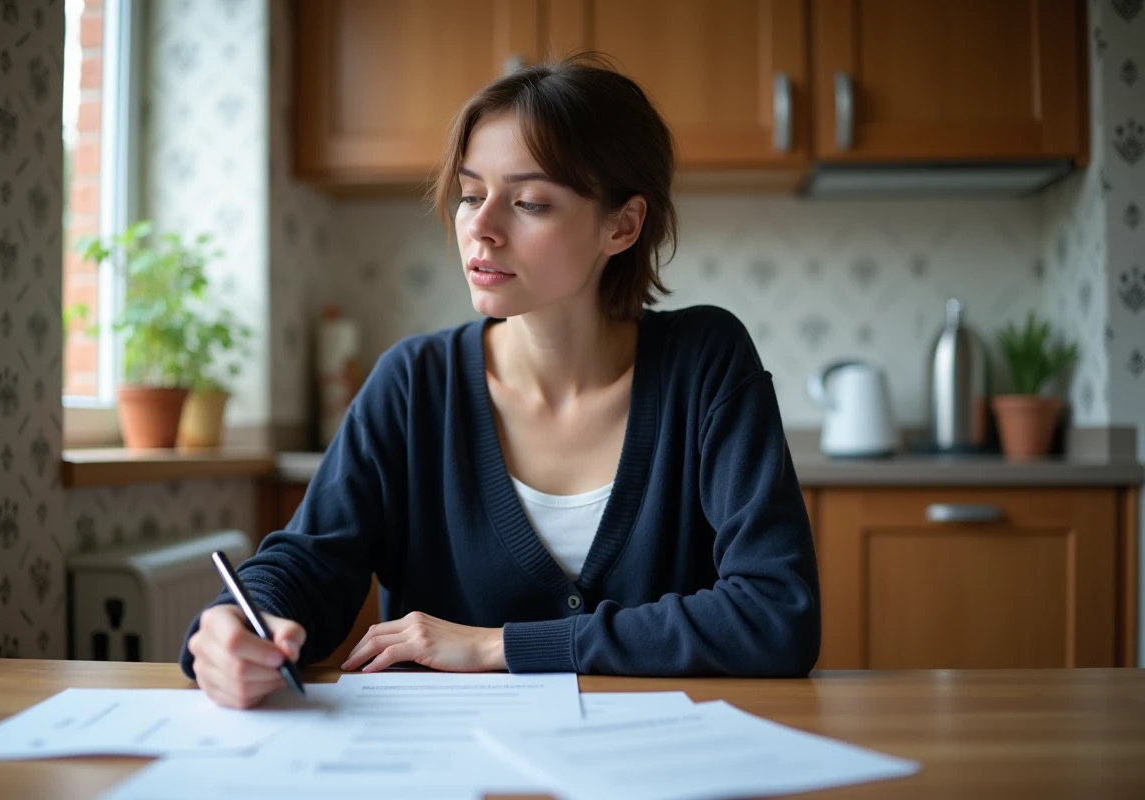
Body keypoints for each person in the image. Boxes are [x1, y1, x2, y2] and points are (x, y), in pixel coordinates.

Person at [182, 53, 819, 710]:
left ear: (622, 225)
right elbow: (309, 563)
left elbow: (776, 615)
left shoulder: (706, 363)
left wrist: (502, 645)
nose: (480, 228)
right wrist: (232, 625)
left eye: (529, 202)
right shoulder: (414, 382)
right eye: (468, 194)